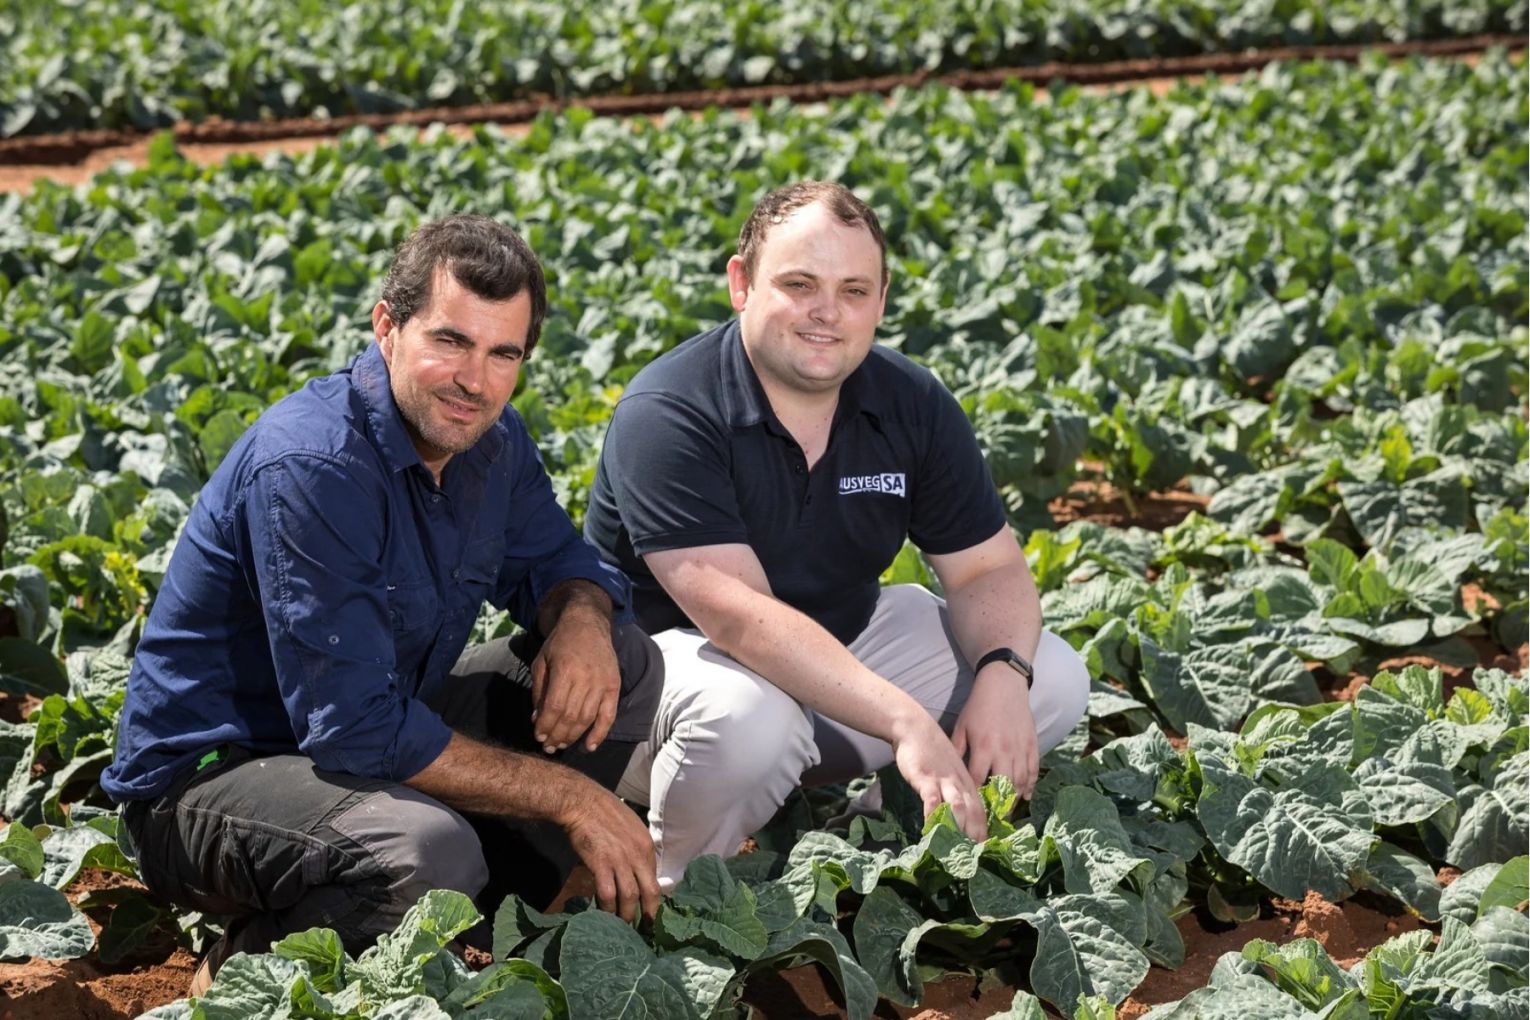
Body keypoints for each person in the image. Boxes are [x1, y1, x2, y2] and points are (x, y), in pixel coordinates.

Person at [102, 215, 663, 989]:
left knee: (623, 663)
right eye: (450, 341)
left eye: (503, 354)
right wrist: (571, 797)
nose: (475, 380)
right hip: (211, 781)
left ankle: (494, 919)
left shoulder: (490, 442)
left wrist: (583, 616)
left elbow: (562, 562)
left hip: (370, 727)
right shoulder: (314, 465)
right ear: (387, 329)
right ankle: (247, 972)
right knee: (423, 851)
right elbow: (356, 728)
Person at [584, 181, 1091, 886]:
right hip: (659, 698)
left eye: (854, 291)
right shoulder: (667, 411)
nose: (827, 312)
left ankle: (877, 842)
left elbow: (988, 571)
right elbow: (740, 619)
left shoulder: (910, 401)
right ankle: (676, 895)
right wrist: (906, 721)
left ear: (881, 301)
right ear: (741, 284)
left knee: (1050, 678)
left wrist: (1003, 675)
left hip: (828, 668)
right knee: (752, 722)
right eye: (799, 284)